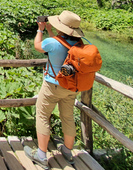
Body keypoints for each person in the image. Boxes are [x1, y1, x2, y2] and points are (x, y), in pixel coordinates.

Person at [24, 10, 83, 169]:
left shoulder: (53, 43)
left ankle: (42, 155)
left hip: (53, 85)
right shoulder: (79, 44)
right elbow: (62, 42)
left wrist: (40, 30)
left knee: (42, 114)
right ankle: (68, 151)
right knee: (68, 116)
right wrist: (52, 31)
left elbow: (38, 46)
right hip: (71, 86)